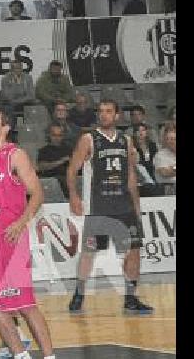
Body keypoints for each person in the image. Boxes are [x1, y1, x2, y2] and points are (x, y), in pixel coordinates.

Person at [0, 106, 56, 359]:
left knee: (25, 304)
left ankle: (49, 356)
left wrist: (21, 222)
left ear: (5, 127)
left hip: (10, 239)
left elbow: (37, 193)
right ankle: (20, 354)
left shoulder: (15, 155)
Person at [65, 99, 154, 316]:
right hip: (99, 207)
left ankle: (131, 298)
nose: (103, 115)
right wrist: (74, 196)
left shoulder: (126, 140)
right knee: (89, 253)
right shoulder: (89, 139)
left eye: (108, 111)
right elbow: (72, 169)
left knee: (134, 252)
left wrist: (136, 205)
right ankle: (79, 292)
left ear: (117, 115)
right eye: (101, 111)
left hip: (124, 206)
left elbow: (131, 175)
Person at [36, 123, 72, 194]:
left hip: (68, 183)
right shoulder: (44, 151)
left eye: (59, 135)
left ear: (63, 136)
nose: (56, 138)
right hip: (50, 183)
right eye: (54, 135)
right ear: (49, 135)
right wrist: (61, 161)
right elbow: (41, 166)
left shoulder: (69, 149)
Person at [153, 124, 176, 191]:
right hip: (168, 189)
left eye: (173, 139)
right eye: (168, 139)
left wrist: (172, 168)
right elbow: (165, 172)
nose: (171, 142)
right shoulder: (160, 155)